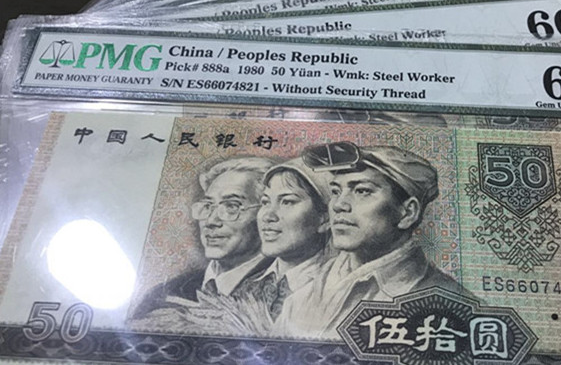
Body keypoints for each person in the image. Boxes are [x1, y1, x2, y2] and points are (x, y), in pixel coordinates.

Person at [275, 143, 467, 339]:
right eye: (335, 192)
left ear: (407, 213)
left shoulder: (451, 306)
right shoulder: (302, 294)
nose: (339, 205)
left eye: (362, 191)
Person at [132, 156, 276, 319]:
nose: (211, 221)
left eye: (231, 206)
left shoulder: (286, 292)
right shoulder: (165, 294)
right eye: (208, 206)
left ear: (267, 214)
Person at [232, 157, 332, 326]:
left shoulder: (335, 289)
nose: (268, 216)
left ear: (324, 219)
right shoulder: (246, 287)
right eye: (265, 202)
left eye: (287, 201)